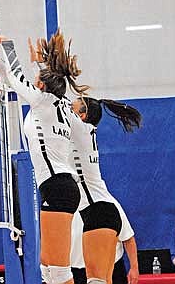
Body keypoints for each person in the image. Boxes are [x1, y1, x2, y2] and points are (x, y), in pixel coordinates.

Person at [0, 29, 89, 284]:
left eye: (37, 77)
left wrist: (5, 43)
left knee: (59, 272)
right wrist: (25, 61)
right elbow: (21, 78)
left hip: (59, 186)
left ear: (40, 85)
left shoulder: (42, 100)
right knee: (46, 266)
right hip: (58, 187)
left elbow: (16, 76)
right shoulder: (59, 104)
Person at [69, 96, 141, 284]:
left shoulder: (83, 133)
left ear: (82, 116)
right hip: (96, 212)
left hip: (99, 211)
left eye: (72, 107)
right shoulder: (83, 134)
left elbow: (54, 107)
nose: (68, 108)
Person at [71, 212, 132, 284]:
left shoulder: (109, 202)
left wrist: (134, 267)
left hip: (112, 269)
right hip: (74, 271)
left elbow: (127, 237)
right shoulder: (62, 208)